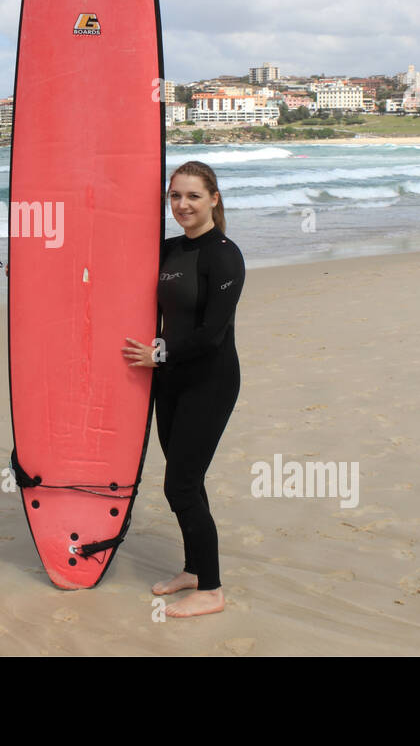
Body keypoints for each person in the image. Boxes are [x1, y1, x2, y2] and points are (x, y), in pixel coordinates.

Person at [122, 160, 245, 618]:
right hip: (170, 381)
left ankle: (211, 589)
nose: (182, 204)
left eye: (192, 195)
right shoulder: (170, 250)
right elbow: (111, 265)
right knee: (186, 479)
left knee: (182, 483)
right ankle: (194, 569)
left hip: (210, 381)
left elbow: (213, 333)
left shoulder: (225, 255)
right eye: (175, 196)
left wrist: (158, 355)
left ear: (214, 198)